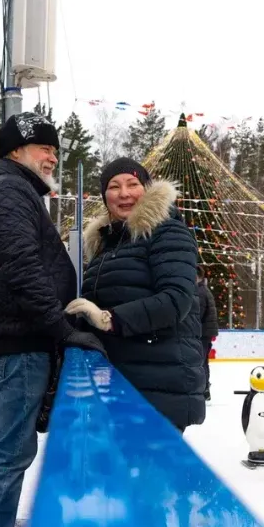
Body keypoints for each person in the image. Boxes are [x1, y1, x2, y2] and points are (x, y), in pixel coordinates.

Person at [0, 111, 104, 527]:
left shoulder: (12, 191)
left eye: (56, 152)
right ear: (16, 151)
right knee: (8, 454)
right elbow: (23, 267)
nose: (52, 159)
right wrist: (60, 327)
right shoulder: (9, 192)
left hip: (19, 340)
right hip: (20, 342)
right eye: (45, 149)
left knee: (4, 451)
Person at [65, 158, 205, 433]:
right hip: (119, 383)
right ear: (105, 197)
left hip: (159, 387)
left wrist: (109, 319)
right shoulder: (106, 245)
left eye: (132, 184)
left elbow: (176, 300)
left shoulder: (167, 231)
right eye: (114, 187)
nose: (124, 193)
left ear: (147, 189)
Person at [196, 267, 219, 401]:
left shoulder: (200, 292)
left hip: (202, 333)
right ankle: (205, 389)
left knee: (200, 362)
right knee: (203, 361)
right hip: (206, 333)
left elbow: (197, 315)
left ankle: (203, 389)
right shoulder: (204, 290)